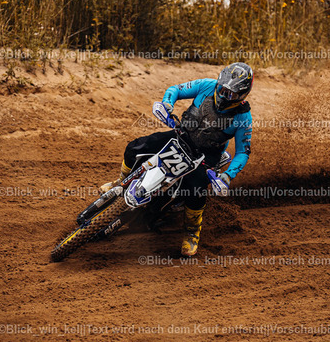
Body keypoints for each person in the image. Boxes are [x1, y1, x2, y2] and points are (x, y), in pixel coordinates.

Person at [101, 62, 253, 256]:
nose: (224, 96)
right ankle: (121, 182)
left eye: (231, 94)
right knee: (135, 148)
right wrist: (167, 104)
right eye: (222, 90)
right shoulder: (207, 85)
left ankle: (192, 232)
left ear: (242, 94)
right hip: (181, 136)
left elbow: (243, 152)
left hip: (206, 155)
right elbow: (176, 90)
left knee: (196, 187)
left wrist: (227, 176)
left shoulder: (243, 117)